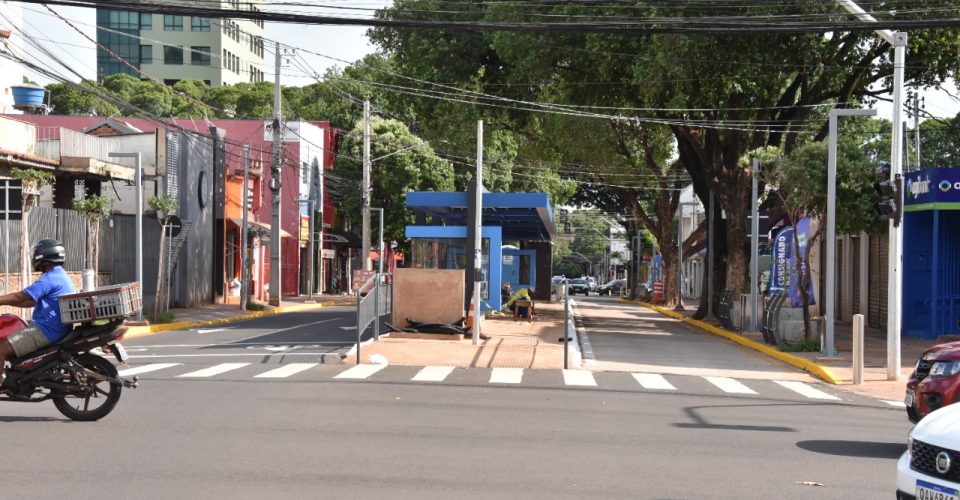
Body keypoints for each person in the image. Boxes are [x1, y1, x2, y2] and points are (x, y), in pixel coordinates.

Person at [0, 239, 76, 376]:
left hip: (46, 330)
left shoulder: (49, 278)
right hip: (56, 328)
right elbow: (29, 301)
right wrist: (5, 302)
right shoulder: (60, 275)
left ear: (43, 255)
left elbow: (19, 297)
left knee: (2, 349)